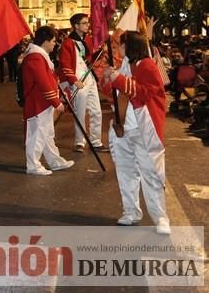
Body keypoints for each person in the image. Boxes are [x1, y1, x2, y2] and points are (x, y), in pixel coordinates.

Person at [103, 31, 171, 235]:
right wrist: (107, 79)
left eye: (122, 45)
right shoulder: (124, 64)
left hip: (143, 129)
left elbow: (146, 93)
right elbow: (111, 94)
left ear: (131, 46)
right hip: (123, 126)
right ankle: (131, 211)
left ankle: (160, 217)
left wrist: (119, 79)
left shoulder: (147, 65)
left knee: (151, 174)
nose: (118, 49)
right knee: (125, 172)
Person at [20, 26, 74, 175]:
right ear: (45, 42)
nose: (54, 44)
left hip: (42, 102)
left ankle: (54, 161)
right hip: (38, 102)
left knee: (47, 134)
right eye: (53, 41)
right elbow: (43, 82)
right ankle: (33, 165)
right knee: (37, 134)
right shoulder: (36, 57)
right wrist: (56, 101)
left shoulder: (37, 56)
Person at [57, 13, 107, 152]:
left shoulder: (88, 40)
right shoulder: (67, 43)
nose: (87, 25)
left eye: (87, 23)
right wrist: (73, 80)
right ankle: (80, 142)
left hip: (88, 78)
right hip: (77, 80)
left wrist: (100, 53)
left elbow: (88, 59)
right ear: (76, 26)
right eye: (84, 23)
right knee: (80, 112)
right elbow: (65, 65)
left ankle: (96, 141)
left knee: (96, 111)